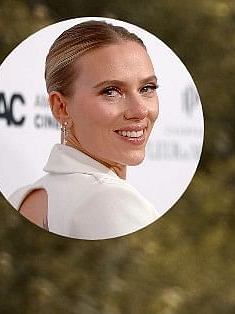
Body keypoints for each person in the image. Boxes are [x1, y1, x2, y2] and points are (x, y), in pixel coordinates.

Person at [10, 21, 161, 240]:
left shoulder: (22, 197)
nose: (140, 110)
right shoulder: (112, 201)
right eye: (111, 91)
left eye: (147, 88)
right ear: (60, 107)